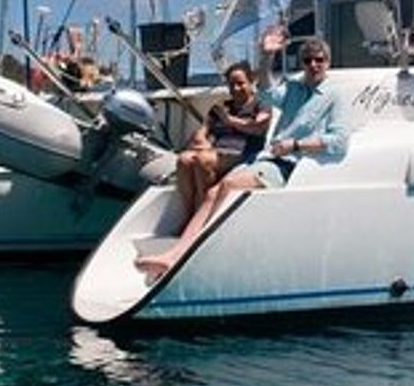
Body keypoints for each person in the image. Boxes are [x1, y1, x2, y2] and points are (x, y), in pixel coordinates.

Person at [135, 27, 352, 281]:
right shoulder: (294, 88)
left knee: (228, 184)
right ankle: (176, 252)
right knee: (213, 192)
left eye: (319, 60)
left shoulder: (335, 95)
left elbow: (339, 141)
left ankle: (179, 256)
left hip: (289, 164)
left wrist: (295, 145)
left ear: (328, 62)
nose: (314, 65)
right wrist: (267, 56)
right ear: (302, 63)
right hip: (266, 159)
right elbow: (265, 93)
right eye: (308, 60)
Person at [173, 62, 270, 217]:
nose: (236, 89)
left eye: (240, 83)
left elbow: (257, 127)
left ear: (251, 82)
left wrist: (230, 121)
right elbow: (201, 132)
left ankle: (203, 214)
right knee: (184, 160)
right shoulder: (220, 107)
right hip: (216, 152)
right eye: (231, 84)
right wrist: (201, 141)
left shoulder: (261, 105)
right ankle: (188, 213)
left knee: (203, 160)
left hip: (245, 153)